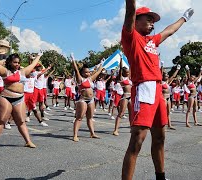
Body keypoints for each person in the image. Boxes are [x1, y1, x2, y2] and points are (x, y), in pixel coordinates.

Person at [121, 1, 194, 179]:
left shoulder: (152, 41)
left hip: (158, 90)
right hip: (144, 89)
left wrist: (183, 18)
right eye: (149, 19)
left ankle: (160, 177)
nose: (153, 24)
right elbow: (130, 9)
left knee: (160, 137)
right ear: (136, 21)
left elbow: (169, 31)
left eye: (154, 21)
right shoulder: (131, 37)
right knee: (137, 140)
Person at [0, 41, 42, 153]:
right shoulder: (4, 71)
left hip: (19, 98)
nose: (17, 64)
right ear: (10, 62)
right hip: (6, 98)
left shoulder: (22, 72)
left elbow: (32, 65)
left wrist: (39, 56)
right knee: (0, 121)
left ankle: (28, 141)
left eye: (18, 62)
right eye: (15, 62)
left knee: (21, 121)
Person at [71, 53, 103, 142]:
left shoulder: (90, 79)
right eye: (86, 72)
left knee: (90, 118)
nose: (88, 73)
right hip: (82, 100)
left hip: (91, 100)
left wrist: (101, 63)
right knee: (79, 118)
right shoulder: (80, 79)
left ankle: (92, 133)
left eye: (89, 72)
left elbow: (98, 72)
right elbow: (76, 69)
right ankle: (75, 135)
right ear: (82, 73)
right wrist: (73, 60)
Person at [161, 63, 180, 130]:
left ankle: (169, 125)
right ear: (163, 77)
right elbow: (161, 73)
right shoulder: (161, 82)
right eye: (166, 76)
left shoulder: (167, 82)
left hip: (168, 97)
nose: (167, 77)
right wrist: (162, 66)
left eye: (167, 76)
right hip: (163, 98)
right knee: (163, 112)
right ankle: (163, 126)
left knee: (168, 112)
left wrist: (177, 69)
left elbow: (173, 76)